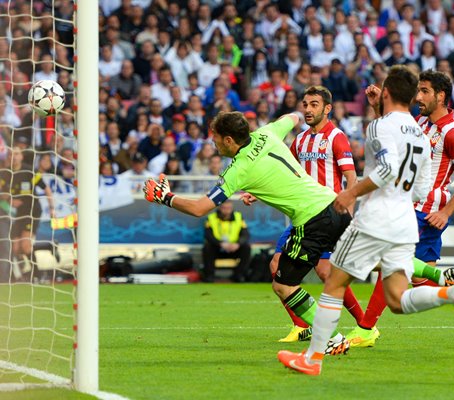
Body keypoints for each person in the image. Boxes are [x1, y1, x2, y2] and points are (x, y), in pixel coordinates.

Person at [277, 65, 454, 376]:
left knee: (333, 282)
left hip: (377, 219)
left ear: (386, 93)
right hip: (406, 220)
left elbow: (388, 169)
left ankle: (312, 359)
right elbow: (420, 186)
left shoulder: (378, 126)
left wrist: (351, 195)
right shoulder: (419, 133)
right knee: (396, 299)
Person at [143, 111, 352, 355]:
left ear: (229, 140)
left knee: (284, 286)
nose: (214, 143)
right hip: (334, 204)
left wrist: (165, 197)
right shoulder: (267, 132)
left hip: (312, 220)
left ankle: (332, 338)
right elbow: (294, 117)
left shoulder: (238, 169)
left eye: (216, 138)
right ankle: (408, 272)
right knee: (374, 261)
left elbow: (200, 208)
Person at [345, 70, 454, 348]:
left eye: (425, 91)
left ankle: (366, 329)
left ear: (441, 96)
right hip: (414, 205)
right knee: (420, 281)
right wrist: (379, 107)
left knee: (388, 264)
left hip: (425, 210)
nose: (418, 97)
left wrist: (446, 212)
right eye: (418, 90)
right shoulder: (421, 123)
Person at [268, 86, 364, 343]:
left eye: (314, 104)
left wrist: (349, 213)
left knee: (326, 273)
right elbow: (284, 171)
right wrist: (255, 193)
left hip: (328, 215)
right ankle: (301, 326)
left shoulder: (336, 137)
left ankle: (365, 325)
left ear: (327, 109)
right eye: (305, 104)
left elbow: (351, 177)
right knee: (277, 266)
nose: (308, 109)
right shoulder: (300, 140)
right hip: (303, 214)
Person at [0, 147, 55, 282]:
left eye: (17, 153)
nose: (14, 156)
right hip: (18, 213)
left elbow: (46, 188)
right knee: (15, 247)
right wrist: (9, 199)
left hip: (32, 210)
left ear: (21, 156)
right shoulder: (5, 173)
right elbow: (2, 193)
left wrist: (52, 208)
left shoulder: (29, 170)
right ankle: (24, 271)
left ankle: (38, 275)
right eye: (11, 154)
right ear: (8, 157)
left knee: (25, 245)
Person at [202, 200, 251, 283]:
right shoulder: (211, 218)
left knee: (246, 247)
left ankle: (239, 275)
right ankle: (209, 276)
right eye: (224, 208)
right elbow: (208, 235)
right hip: (218, 248)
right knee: (207, 247)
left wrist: (237, 244)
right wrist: (220, 243)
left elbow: (245, 234)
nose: (226, 210)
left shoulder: (239, 217)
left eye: (229, 208)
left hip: (233, 248)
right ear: (220, 208)